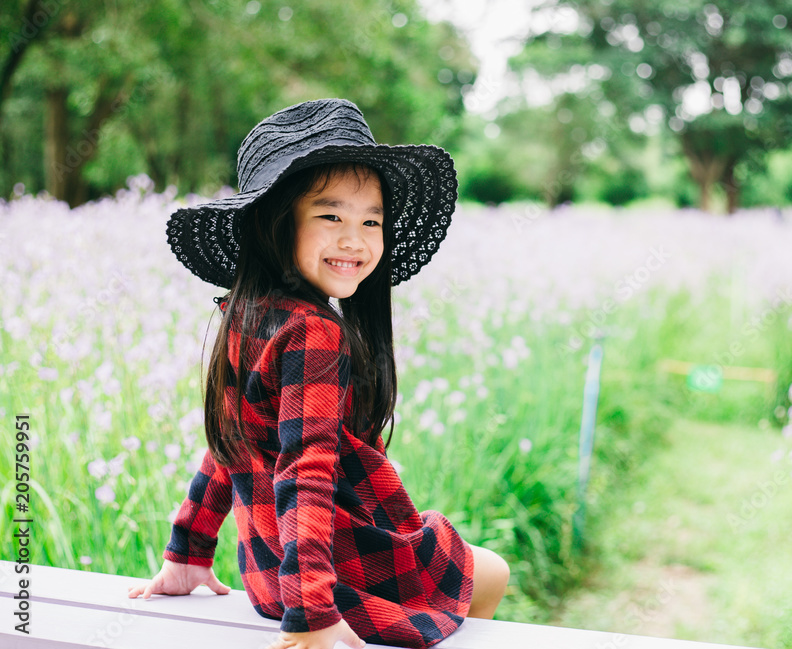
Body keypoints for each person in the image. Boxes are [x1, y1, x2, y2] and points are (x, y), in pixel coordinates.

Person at [125, 98, 509, 649]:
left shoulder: (244, 316)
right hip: (329, 579)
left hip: (270, 577)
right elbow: (306, 471)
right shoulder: (314, 332)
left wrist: (187, 553)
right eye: (331, 216)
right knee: (489, 570)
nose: (354, 239)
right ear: (273, 223)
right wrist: (311, 615)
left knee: (463, 564)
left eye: (371, 220)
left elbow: (229, 443)